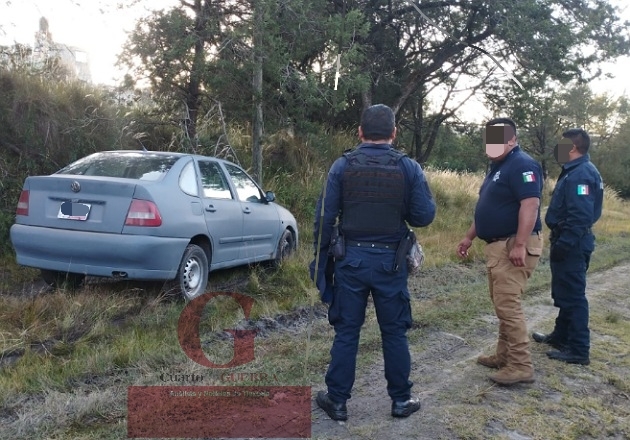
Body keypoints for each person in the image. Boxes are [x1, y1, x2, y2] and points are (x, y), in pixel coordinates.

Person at [309, 104, 435, 420]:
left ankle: (337, 401)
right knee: (394, 332)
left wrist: (321, 260)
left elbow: (324, 217)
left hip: (350, 261)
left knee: (347, 331)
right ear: (394, 133)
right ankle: (401, 401)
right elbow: (424, 215)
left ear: (361, 132)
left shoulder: (341, 166)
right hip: (390, 263)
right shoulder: (409, 168)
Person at [456, 117, 544, 385]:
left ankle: (521, 365)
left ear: (512, 140)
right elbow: (488, 207)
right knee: (501, 305)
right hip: (497, 246)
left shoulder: (523, 164)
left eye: (497, 140)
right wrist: (469, 236)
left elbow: (530, 205)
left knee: (508, 306)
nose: (491, 145)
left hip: (512, 246)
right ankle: (504, 355)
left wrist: (519, 244)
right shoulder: (499, 167)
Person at [532, 128, 603, 365]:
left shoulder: (581, 174)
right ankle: (561, 336)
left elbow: (580, 215)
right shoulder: (574, 170)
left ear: (572, 148)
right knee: (565, 291)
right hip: (571, 239)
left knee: (573, 296)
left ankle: (579, 349)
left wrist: (565, 243)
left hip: (572, 241)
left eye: (561, 145)